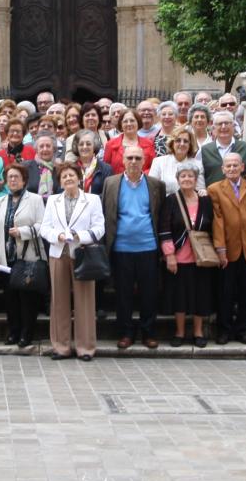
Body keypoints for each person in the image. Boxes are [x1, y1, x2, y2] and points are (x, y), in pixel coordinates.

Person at [39, 161, 104, 361]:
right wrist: (57, 235)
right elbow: (44, 227)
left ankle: (85, 348)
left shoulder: (92, 200)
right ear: (60, 181)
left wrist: (80, 236)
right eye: (64, 176)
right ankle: (61, 347)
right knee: (59, 301)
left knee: (84, 301)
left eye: (71, 175)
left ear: (79, 178)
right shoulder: (53, 201)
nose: (68, 179)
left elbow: (100, 228)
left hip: (82, 253)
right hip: (58, 253)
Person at [102, 147, 165, 349]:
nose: (134, 161)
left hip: (148, 246)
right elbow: (106, 213)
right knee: (123, 294)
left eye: (138, 158)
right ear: (122, 159)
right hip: (121, 247)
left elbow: (159, 215)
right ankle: (126, 333)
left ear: (145, 160)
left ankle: (148, 333)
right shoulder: (111, 183)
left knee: (149, 294)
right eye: (130, 157)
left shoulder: (156, 185)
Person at [209, 152, 246, 344]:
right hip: (228, 247)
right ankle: (224, 330)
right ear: (222, 169)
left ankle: (243, 330)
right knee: (225, 292)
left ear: (243, 167)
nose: (232, 169)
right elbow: (217, 221)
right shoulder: (215, 189)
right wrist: (220, 249)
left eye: (236, 165)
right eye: (229, 166)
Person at [0, 163, 47, 348]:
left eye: (16, 177)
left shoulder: (35, 200)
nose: (12, 180)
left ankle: (26, 334)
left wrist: (22, 232)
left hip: (28, 258)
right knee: (10, 299)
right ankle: (13, 332)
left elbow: (42, 226)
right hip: (7, 259)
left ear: (24, 180)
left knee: (27, 299)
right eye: (10, 177)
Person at [158, 160, 214, 347]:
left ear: (196, 179)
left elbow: (213, 226)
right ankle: (180, 332)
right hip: (179, 257)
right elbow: (164, 229)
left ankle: (198, 332)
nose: (187, 179)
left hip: (202, 257)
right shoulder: (171, 200)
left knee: (201, 295)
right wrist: (169, 255)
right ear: (178, 179)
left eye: (191, 176)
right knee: (179, 296)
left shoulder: (206, 200)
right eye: (183, 176)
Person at [202, 111, 246, 186]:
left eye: (226, 123)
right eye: (220, 124)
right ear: (214, 128)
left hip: (240, 195)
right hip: (213, 196)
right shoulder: (204, 150)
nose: (223, 127)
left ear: (233, 126)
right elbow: (200, 176)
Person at [104, 109, 157, 175]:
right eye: (125, 121)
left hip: (142, 182)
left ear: (138, 123)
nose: (129, 124)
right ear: (121, 124)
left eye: (132, 121)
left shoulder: (149, 144)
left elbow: (154, 167)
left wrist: (140, 176)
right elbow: (105, 169)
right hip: (117, 183)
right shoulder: (110, 145)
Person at [71, 128, 114, 197]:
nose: (84, 147)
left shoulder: (106, 169)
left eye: (88, 144)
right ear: (77, 147)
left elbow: (108, 194)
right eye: (81, 144)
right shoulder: (70, 168)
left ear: (94, 146)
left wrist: (91, 202)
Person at [25, 133, 63, 201]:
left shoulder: (60, 169)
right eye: (41, 146)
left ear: (54, 149)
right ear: (36, 150)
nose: (45, 149)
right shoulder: (26, 167)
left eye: (48, 146)